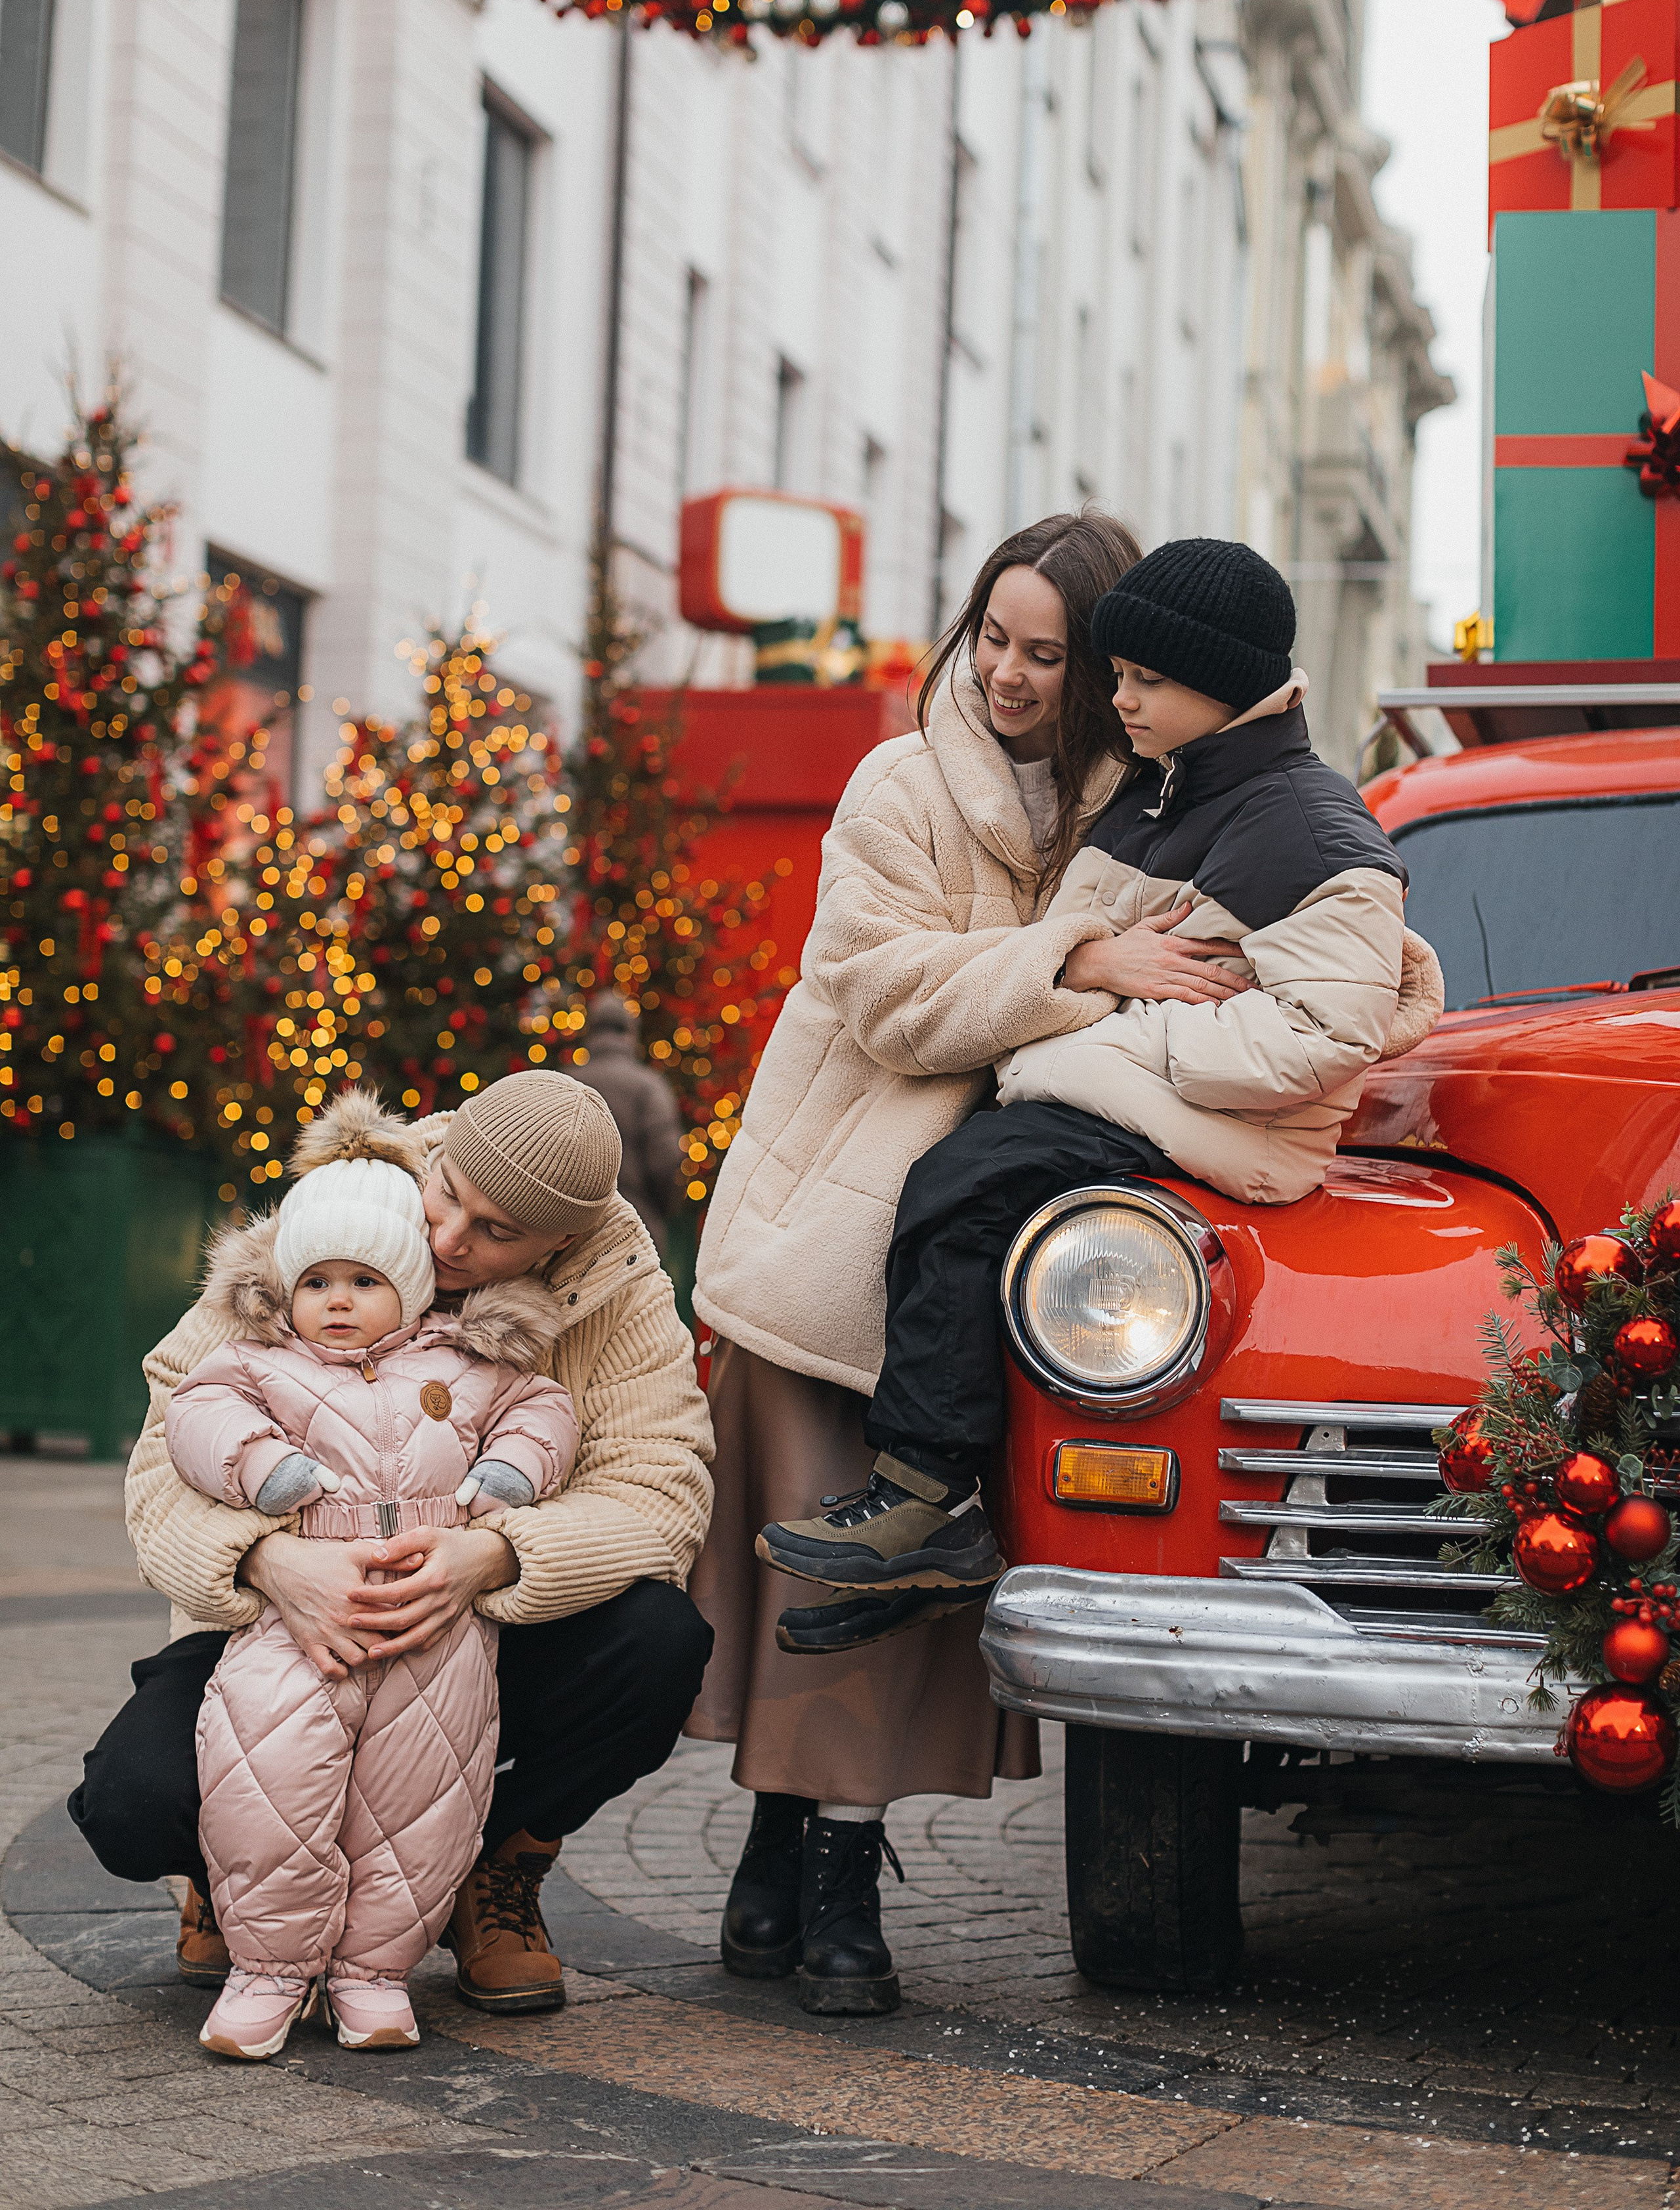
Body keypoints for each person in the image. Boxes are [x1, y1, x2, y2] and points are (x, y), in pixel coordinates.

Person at [688, 509, 1251, 2020]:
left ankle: (781, 1857)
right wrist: (1076, 966)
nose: (1005, 672)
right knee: (833, 1583)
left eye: (1043, 651)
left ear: (1104, 668)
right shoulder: (897, 782)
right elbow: (883, 1000)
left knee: (896, 1591)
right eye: (990, 636)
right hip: (832, 1248)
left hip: (997, 1259)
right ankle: (820, 1883)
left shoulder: (1143, 805)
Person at [759, 538, 1446, 1607]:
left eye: (1142, 678)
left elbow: (1318, 1032)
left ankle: (928, 1492)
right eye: (1113, 672)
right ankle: (937, 1493)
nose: (1115, 696)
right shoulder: (1171, 788)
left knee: (965, 1186)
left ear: (1217, 686)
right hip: (1154, 1096)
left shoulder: (1307, 824)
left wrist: (1128, 1039)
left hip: (1217, 1120)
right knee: (966, 1188)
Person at [71, 1073, 715, 2018]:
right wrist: (266, 1563)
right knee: (128, 1807)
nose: (451, 1240)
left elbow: (665, 1485)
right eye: (449, 1195)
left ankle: (489, 1872)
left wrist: (494, 1558)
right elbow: (169, 1449)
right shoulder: (347, 1204)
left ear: (560, 1245)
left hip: (476, 1629)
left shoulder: (616, 1285)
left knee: (660, 1643)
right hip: (278, 1630)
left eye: (497, 1233)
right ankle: (238, 1869)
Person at [167, 1126, 580, 2059]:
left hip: (436, 1625)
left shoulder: (467, 1365)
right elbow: (194, 1415)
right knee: (266, 1777)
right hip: (301, 1612)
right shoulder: (257, 1362)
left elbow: (545, 1409)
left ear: (413, 1287)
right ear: (285, 1290)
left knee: (420, 1806)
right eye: (316, 1283)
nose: (337, 1302)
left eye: (364, 1281)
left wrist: (510, 1476)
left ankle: (373, 1974)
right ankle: (266, 1970)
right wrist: (262, 1467)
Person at [581, 992, 681, 1256]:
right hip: (636, 1229)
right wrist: (661, 1210)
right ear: (629, 1033)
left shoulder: (568, 1082)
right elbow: (666, 1160)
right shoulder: (649, 1085)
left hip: (574, 1232)